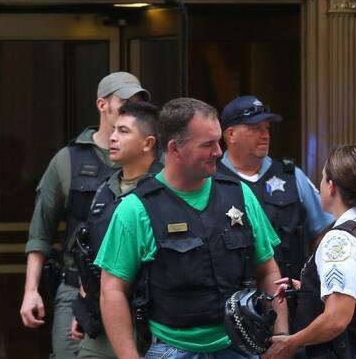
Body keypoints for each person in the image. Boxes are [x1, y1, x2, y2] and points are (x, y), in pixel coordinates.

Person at [94, 97, 287, 359]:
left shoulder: (239, 194)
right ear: (175, 149)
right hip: (170, 348)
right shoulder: (136, 209)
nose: (219, 151)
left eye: (218, 141)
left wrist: (280, 336)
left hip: (239, 346)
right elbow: (112, 289)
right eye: (208, 144)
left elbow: (267, 270)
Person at [24, 72, 151, 359]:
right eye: (124, 102)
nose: (132, 109)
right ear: (102, 105)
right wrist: (31, 291)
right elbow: (40, 233)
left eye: (138, 103)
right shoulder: (68, 160)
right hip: (75, 287)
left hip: (137, 293)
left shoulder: (154, 164)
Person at [264, 145, 356, 359]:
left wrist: (292, 342)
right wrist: (310, 288)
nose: (319, 184)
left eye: (322, 178)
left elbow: (336, 319)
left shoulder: (341, 241)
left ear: (331, 186)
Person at [67, 101, 165, 358]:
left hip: (149, 326)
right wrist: (83, 309)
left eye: (123, 131)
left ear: (148, 143)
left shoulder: (164, 192)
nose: (112, 137)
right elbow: (89, 256)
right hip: (101, 324)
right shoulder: (104, 190)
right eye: (113, 130)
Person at [215, 95, 334, 282]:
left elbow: (324, 232)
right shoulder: (212, 180)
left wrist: (317, 281)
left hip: (290, 295)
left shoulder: (292, 176)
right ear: (231, 134)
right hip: (233, 298)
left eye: (266, 128)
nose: (265, 135)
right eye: (255, 128)